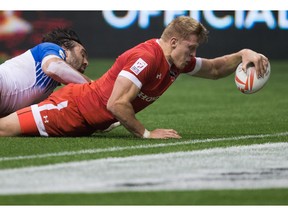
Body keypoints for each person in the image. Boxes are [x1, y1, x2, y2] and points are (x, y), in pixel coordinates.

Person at [0, 16, 269, 139]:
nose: (194, 54)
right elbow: (116, 104)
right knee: (3, 130)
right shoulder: (148, 57)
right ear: (174, 42)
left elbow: (212, 69)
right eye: (191, 48)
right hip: (70, 110)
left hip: (89, 122)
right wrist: (146, 133)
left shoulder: (176, 60)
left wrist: (243, 53)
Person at [0, 28, 91, 117]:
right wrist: (94, 87)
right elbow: (54, 68)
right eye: (82, 55)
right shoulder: (50, 47)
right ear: (65, 48)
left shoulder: (47, 90)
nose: (86, 62)